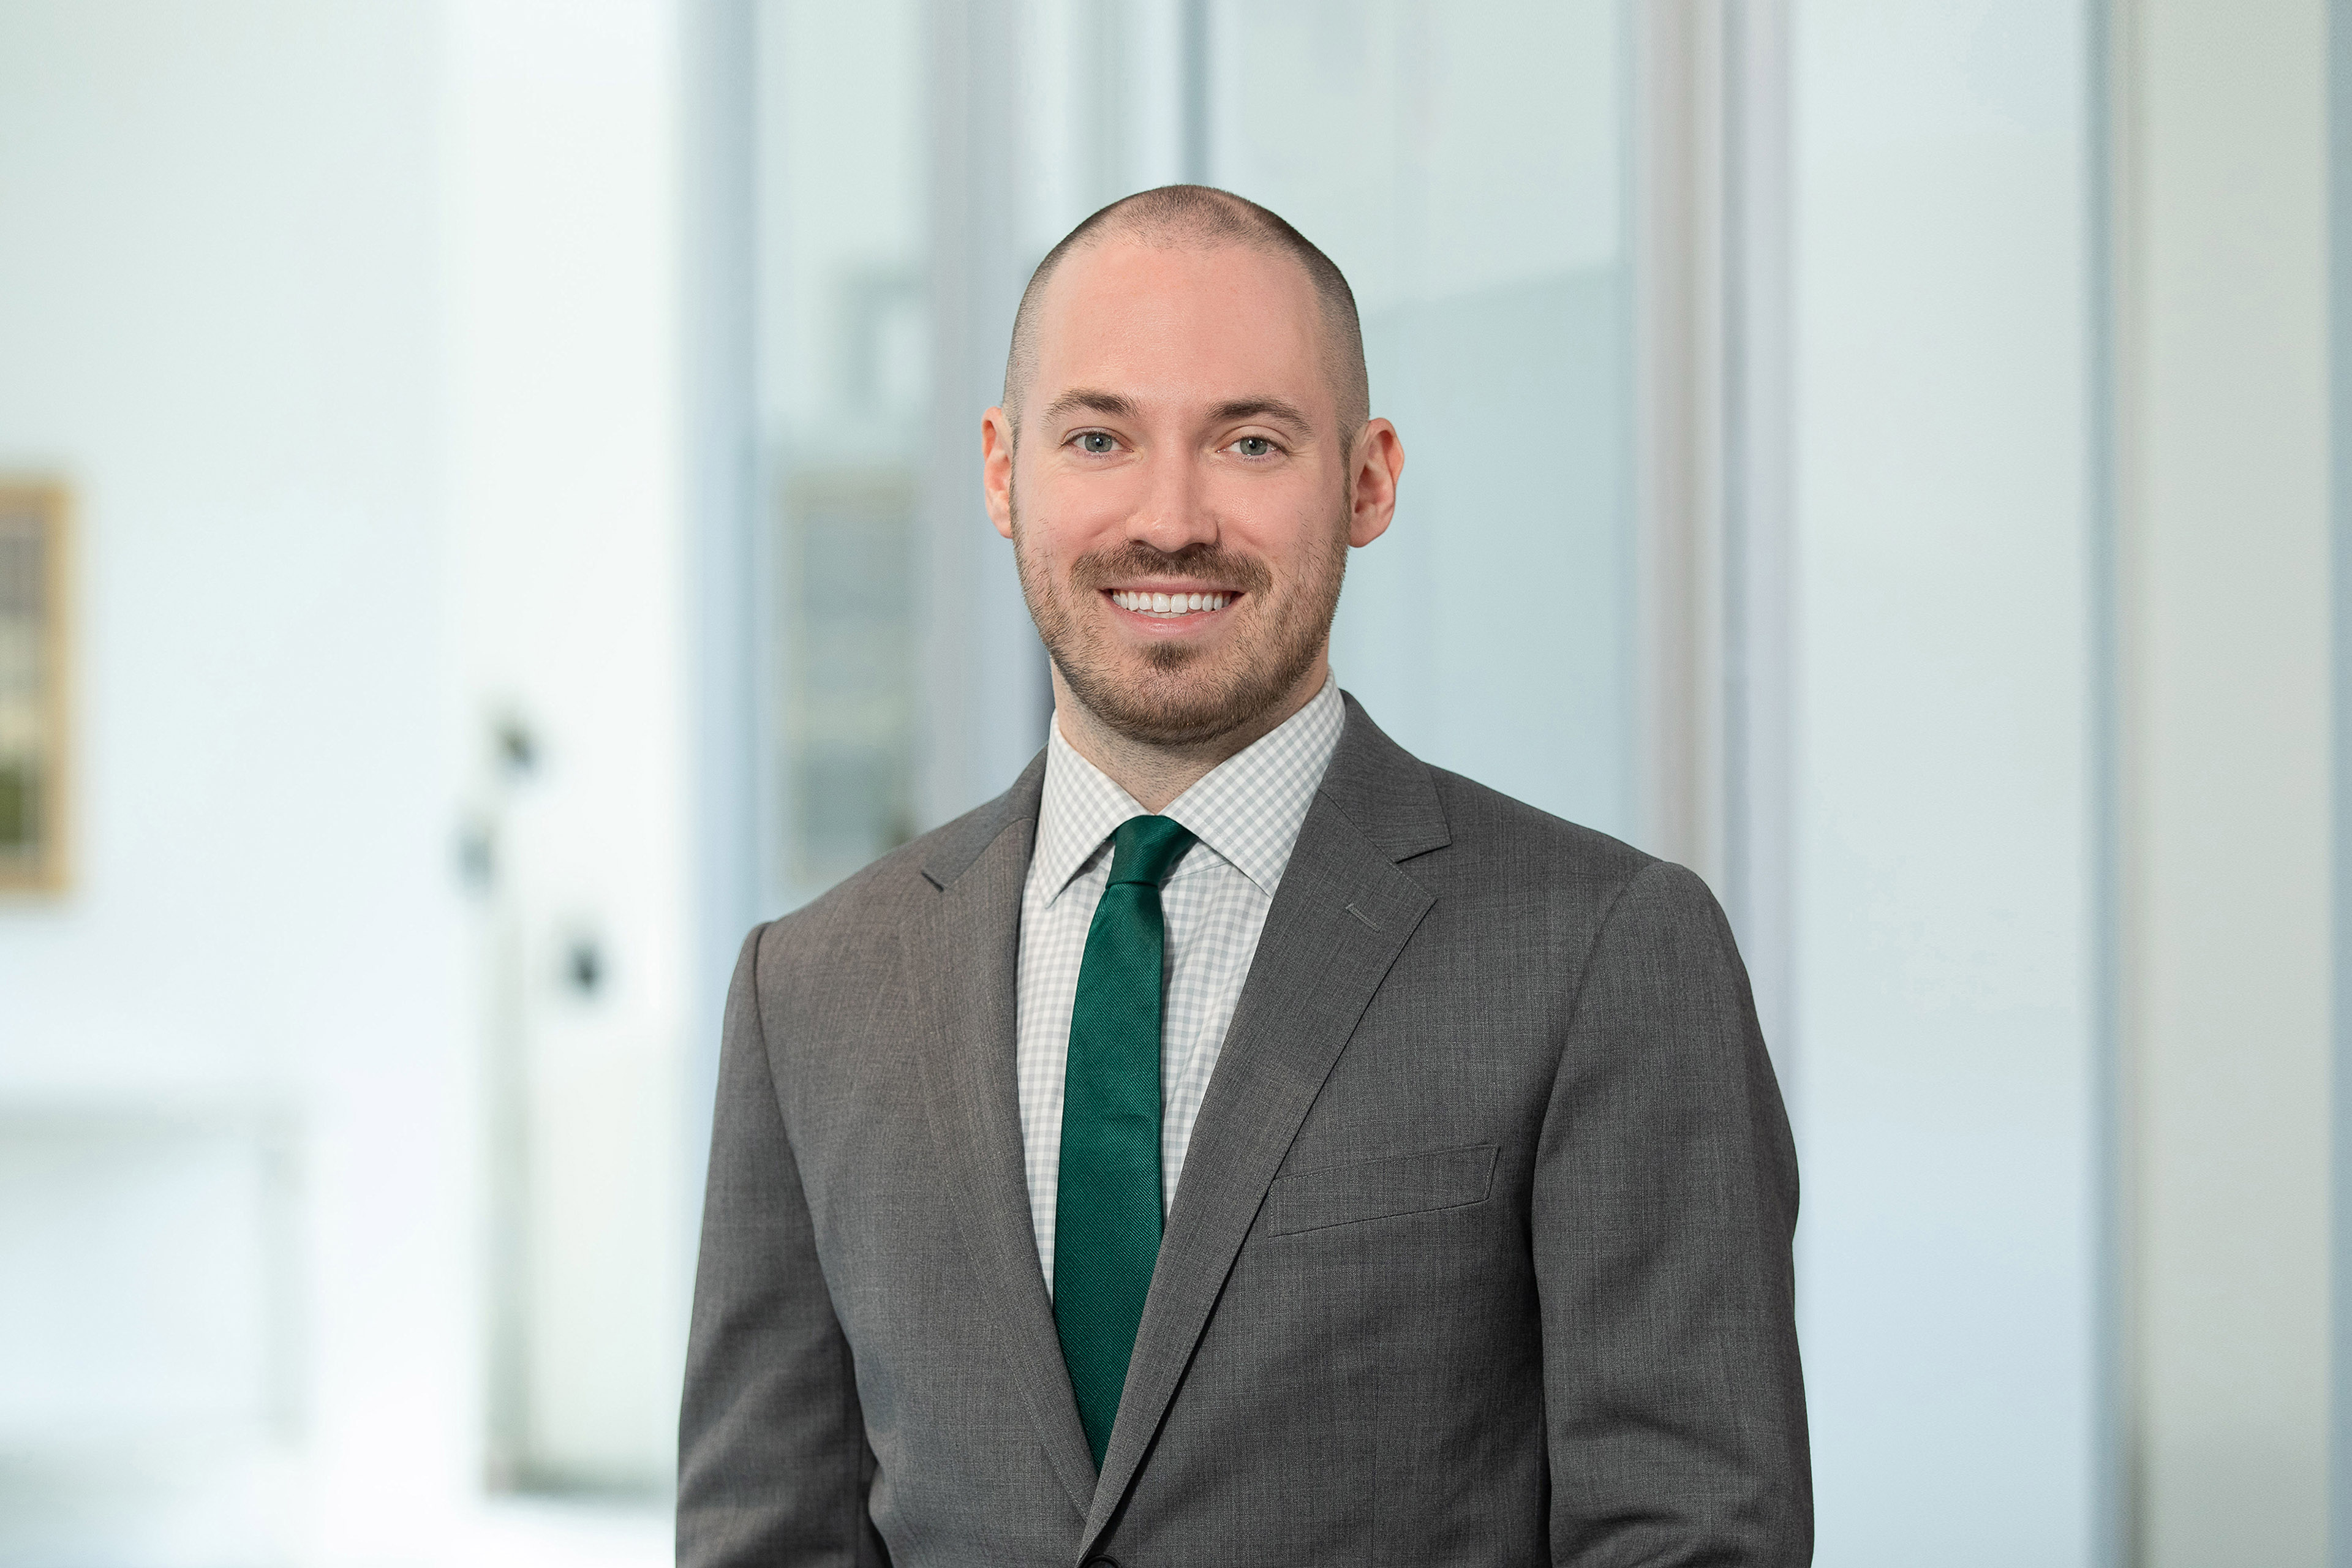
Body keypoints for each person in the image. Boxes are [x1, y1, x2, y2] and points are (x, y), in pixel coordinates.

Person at [677, 185, 1811, 1566]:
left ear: (1368, 480)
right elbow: (767, 1535)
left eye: (1250, 441)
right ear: (1001, 471)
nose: (1169, 520)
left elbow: (1690, 1538)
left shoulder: (1603, 952)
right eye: (1099, 437)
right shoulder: (811, 989)